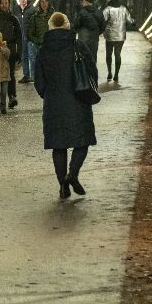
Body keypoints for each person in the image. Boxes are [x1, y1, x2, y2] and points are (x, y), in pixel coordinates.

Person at [33, 12, 97, 199]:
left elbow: (39, 81)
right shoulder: (78, 46)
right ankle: (73, 174)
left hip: (54, 103)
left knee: (58, 146)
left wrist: (48, 94)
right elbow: (92, 71)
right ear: (68, 25)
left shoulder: (43, 50)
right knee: (82, 141)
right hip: (78, 100)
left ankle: (63, 185)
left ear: (50, 26)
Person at [101, 0, 131, 84]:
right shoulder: (124, 9)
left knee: (108, 54)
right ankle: (116, 74)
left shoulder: (108, 9)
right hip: (121, 35)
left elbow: (102, 19)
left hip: (109, 36)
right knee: (117, 54)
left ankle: (109, 72)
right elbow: (129, 20)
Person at [22, 0, 50, 84]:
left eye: (46, 1)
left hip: (50, 44)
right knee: (36, 60)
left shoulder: (54, 16)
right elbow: (30, 32)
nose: (44, 3)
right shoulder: (35, 17)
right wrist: (37, 41)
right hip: (39, 45)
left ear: (49, 3)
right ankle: (36, 77)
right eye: (42, 1)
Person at [72, 0, 104, 69]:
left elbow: (76, 25)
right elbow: (103, 26)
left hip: (83, 39)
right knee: (93, 57)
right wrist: (97, 33)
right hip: (94, 39)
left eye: (83, 1)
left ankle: (84, 76)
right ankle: (93, 75)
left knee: (83, 58)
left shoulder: (82, 12)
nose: (82, 3)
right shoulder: (99, 12)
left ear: (87, 2)